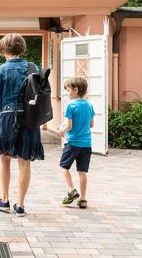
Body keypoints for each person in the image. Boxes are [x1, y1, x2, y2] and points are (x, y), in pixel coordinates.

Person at [0, 34, 44, 216]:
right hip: (29, 118)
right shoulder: (33, 68)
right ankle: (20, 205)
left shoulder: (1, 71)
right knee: (24, 162)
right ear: (21, 49)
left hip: (7, 117)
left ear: (4, 50)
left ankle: (4, 200)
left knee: (5, 159)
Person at [57, 77, 95, 209]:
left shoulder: (71, 106)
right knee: (82, 171)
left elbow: (69, 126)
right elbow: (91, 124)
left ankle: (72, 190)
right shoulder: (89, 105)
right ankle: (83, 199)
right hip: (86, 144)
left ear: (75, 90)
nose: (67, 93)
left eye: (68, 90)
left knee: (64, 167)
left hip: (72, 143)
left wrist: (61, 130)